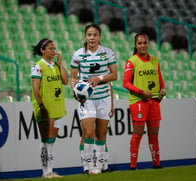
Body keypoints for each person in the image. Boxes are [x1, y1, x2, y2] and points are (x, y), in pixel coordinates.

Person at [70, 23, 118, 174]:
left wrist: (99, 78)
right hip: (87, 99)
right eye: (89, 35)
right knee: (89, 133)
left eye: (95, 35)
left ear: (100, 37)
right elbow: (73, 77)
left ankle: (100, 167)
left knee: (101, 134)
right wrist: (75, 90)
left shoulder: (107, 53)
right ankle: (89, 167)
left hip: (104, 97)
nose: (92, 38)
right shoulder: (78, 54)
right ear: (85, 37)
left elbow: (114, 75)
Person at [123, 33, 166, 170]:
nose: (143, 45)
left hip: (154, 101)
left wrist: (163, 89)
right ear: (135, 46)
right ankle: (133, 166)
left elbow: (159, 79)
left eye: (145, 43)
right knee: (138, 134)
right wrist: (142, 92)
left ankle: (157, 164)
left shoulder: (155, 61)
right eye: (140, 43)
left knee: (154, 135)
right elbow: (126, 83)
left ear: (148, 44)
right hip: (139, 101)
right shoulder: (132, 61)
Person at [31, 38, 69, 178]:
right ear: (42, 50)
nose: (54, 51)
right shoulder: (38, 66)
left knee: (51, 141)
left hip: (58, 107)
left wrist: (61, 64)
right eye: (50, 49)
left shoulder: (55, 65)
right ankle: (45, 171)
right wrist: (41, 105)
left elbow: (65, 81)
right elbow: (35, 88)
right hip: (46, 107)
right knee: (45, 139)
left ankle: (50, 170)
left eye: (54, 48)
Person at [79, 82, 114, 174]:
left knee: (102, 135)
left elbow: (109, 85)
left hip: (103, 101)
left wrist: (111, 105)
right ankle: (86, 167)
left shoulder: (104, 70)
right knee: (87, 134)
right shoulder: (83, 71)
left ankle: (104, 166)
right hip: (88, 102)